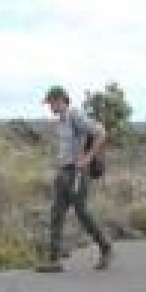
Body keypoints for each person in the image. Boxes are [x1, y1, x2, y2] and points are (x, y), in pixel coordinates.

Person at [37, 85, 113, 272]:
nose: (50, 107)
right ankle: (54, 261)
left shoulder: (75, 116)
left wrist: (87, 158)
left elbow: (101, 133)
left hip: (77, 174)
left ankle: (106, 248)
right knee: (56, 215)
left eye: (51, 102)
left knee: (82, 213)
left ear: (60, 100)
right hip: (63, 173)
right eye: (48, 103)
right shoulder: (61, 121)